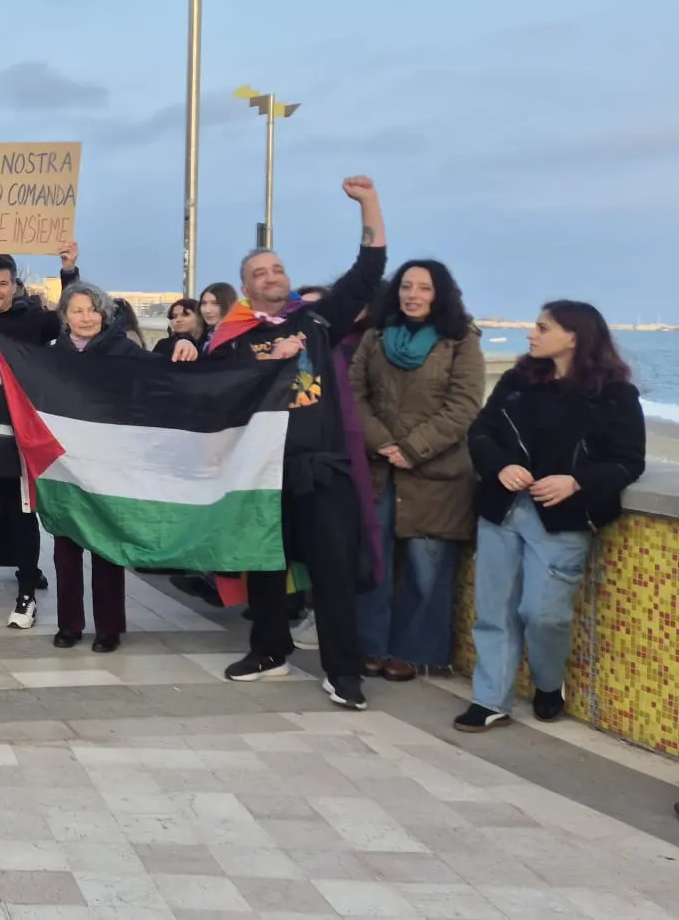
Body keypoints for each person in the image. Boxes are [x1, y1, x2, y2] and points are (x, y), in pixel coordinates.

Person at [205, 176, 388, 711]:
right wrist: (260, 360)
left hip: (321, 467)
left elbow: (368, 269)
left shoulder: (315, 319)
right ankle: (269, 650)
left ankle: (343, 672)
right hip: (261, 471)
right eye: (259, 273)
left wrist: (369, 203)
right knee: (263, 564)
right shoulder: (233, 340)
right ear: (246, 288)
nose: (271, 276)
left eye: (277, 268)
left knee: (333, 571)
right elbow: (214, 395)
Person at [458, 301, 643, 732]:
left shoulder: (615, 394)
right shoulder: (517, 381)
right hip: (502, 510)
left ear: (574, 336)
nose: (531, 334)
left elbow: (628, 461)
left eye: (542, 327)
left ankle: (547, 682)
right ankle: (490, 700)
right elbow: (481, 432)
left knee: (544, 614)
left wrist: (575, 482)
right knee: (494, 611)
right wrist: (500, 465)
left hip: (563, 519)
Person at [350, 261, 483, 681]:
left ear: (439, 293)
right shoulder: (376, 335)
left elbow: (464, 405)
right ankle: (369, 645)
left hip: (436, 474)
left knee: (428, 570)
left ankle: (412, 652)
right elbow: (353, 393)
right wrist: (382, 443)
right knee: (373, 563)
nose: (413, 295)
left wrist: (412, 449)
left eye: (423, 288)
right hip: (379, 469)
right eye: (406, 286)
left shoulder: (460, 340)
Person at [46, 281, 179, 652]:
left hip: (108, 464)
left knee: (106, 547)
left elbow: (161, 374)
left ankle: (108, 628)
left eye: (93, 310)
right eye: (77, 310)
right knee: (66, 550)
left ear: (103, 314)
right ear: (65, 317)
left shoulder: (124, 351)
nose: (86, 317)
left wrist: (183, 345)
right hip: (65, 466)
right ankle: (69, 624)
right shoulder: (51, 356)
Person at [0, 243, 80, 627]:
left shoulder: (34, 320)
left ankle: (26, 594)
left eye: (3, 284)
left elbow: (72, 319)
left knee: (22, 516)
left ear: (14, 286)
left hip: (20, 439)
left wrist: (68, 272)